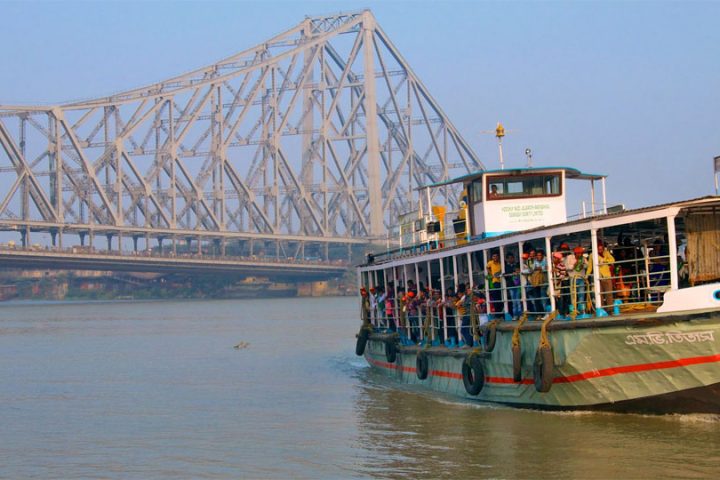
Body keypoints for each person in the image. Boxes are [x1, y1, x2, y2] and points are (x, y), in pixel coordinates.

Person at [588, 243, 615, 309]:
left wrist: (605, 261)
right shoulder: (592, 255)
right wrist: (587, 275)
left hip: (606, 276)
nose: (600, 250)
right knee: (599, 294)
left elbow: (613, 260)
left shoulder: (606, 253)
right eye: (598, 249)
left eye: (601, 249)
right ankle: (601, 309)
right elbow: (590, 267)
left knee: (609, 293)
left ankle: (610, 308)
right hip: (598, 277)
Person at [504, 253, 522, 318]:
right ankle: (515, 315)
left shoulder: (516, 265)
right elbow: (506, 274)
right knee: (514, 301)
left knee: (518, 300)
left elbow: (518, 270)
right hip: (511, 285)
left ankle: (520, 314)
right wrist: (512, 273)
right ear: (507, 259)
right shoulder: (506, 266)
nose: (511, 259)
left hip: (517, 284)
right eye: (509, 258)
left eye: (512, 257)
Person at [486, 251, 503, 316]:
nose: (495, 257)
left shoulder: (500, 263)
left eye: (496, 256)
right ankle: (497, 313)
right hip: (495, 281)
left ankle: (501, 312)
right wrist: (491, 274)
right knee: (496, 297)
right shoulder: (490, 263)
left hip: (501, 281)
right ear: (492, 257)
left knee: (501, 297)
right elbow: (487, 267)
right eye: (494, 256)